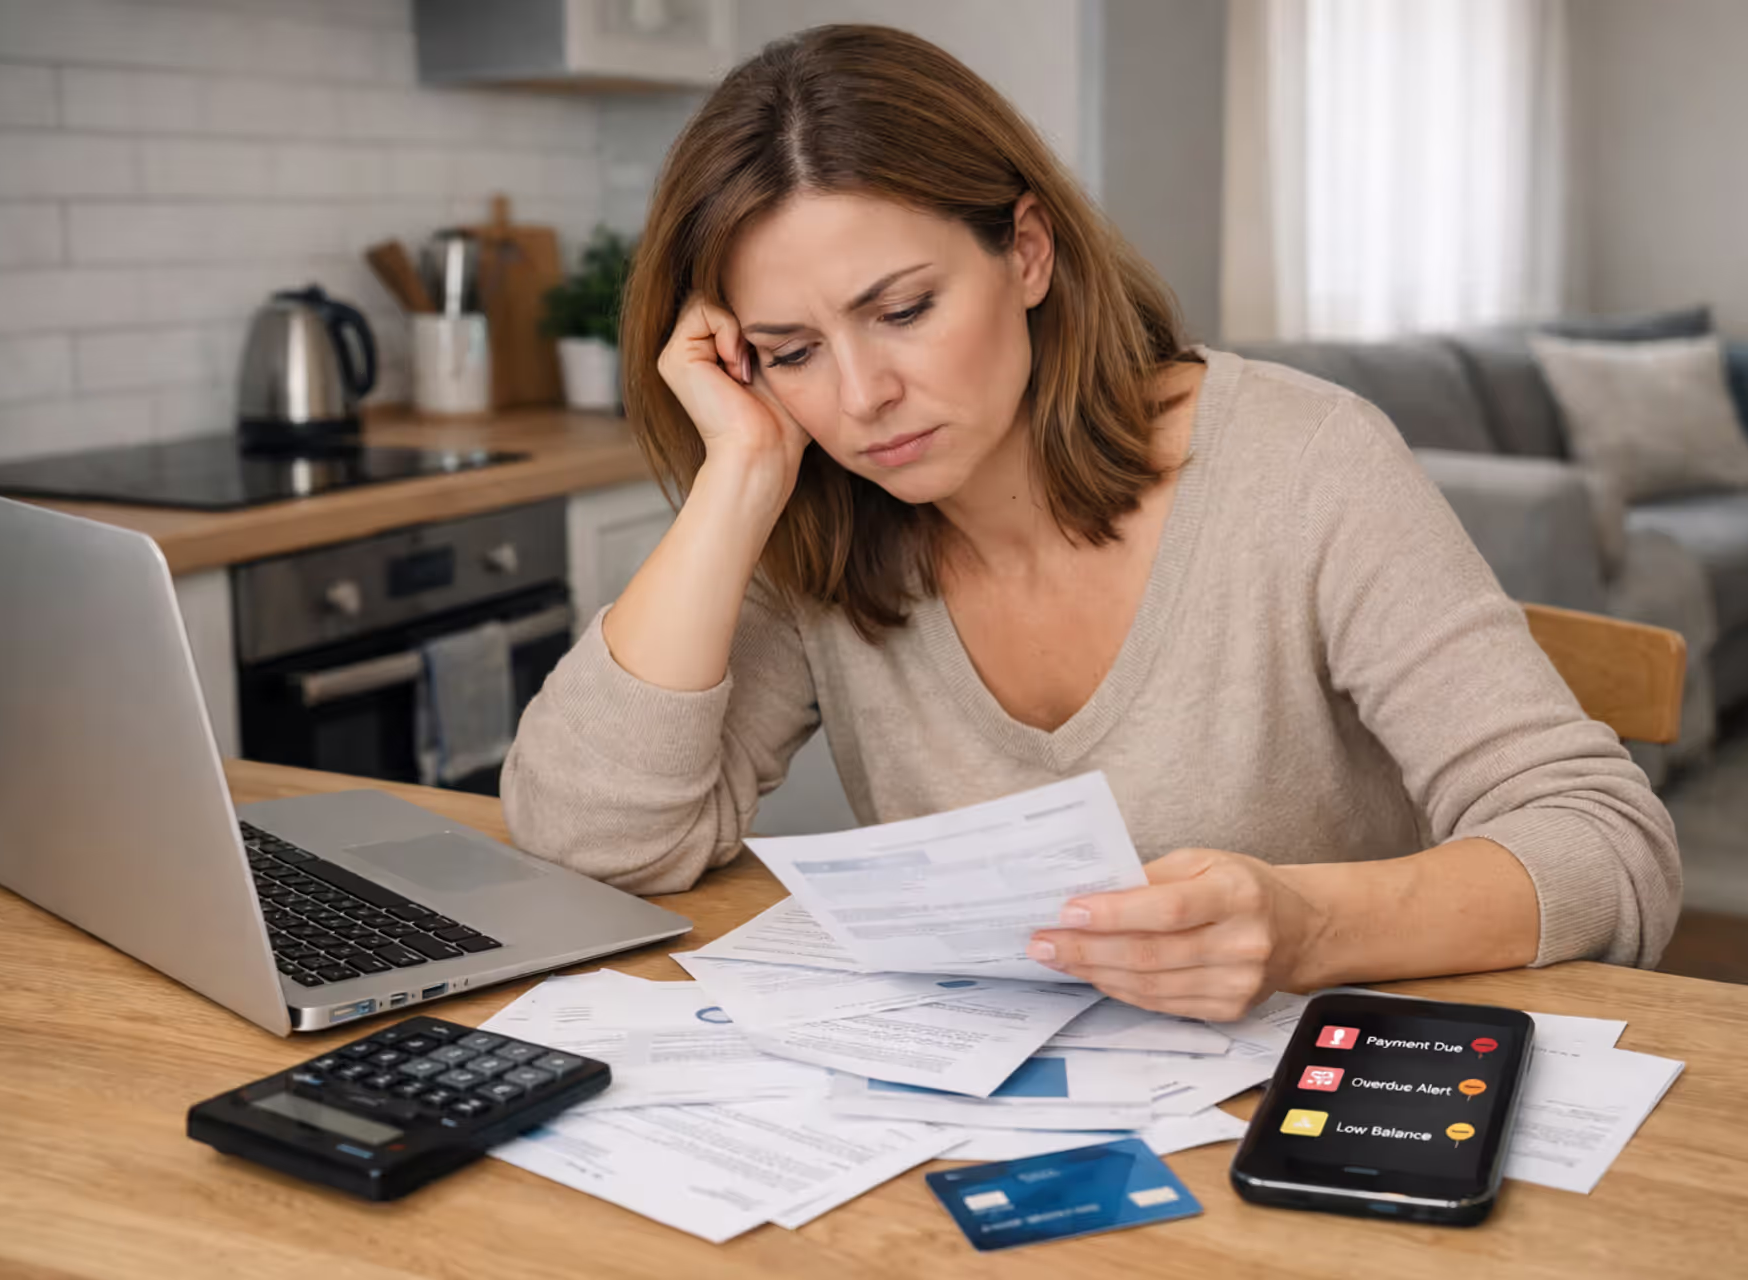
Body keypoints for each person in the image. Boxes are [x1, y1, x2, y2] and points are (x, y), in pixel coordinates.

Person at [502, 24, 1680, 1021]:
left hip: (1321, 1105)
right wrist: (740, 475)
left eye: (903, 308)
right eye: (791, 350)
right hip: (991, 1139)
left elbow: (1607, 843)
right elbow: (588, 845)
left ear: (1025, 250)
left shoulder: (1303, 461)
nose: (860, 398)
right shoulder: (817, 510)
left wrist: (1305, 925)